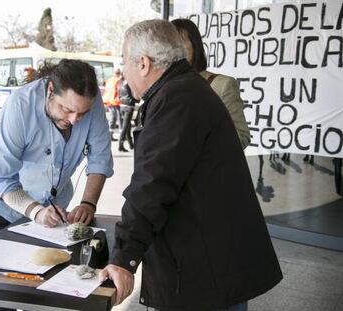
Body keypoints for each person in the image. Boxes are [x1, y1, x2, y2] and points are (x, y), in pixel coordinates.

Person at [99, 20, 282, 310]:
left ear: (143, 63)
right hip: (213, 262)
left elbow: (152, 184)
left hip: (206, 273)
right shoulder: (184, 89)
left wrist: (124, 259)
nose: (124, 72)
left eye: (125, 61)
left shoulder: (176, 98)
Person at [0, 58, 113, 237]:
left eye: (82, 113)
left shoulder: (91, 100)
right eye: (66, 109)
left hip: (55, 211)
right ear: (50, 90)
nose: (74, 120)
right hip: (8, 209)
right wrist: (36, 212)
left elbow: (100, 159)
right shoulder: (20, 104)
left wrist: (88, 203)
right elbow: (1, 178)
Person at [171, 18, 250, 150]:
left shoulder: (221, 85)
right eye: (169, 43)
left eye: (180, 41)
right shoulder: (162, 88)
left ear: (195, 45)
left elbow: (242, 138)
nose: (174, 49)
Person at [118, 78, 137, 152]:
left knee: (127, 126)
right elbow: (133, 97)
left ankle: (131, 145)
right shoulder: (129, 86)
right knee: (125, 127)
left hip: (122, 106)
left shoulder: (121, 85)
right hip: (129, 107)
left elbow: (119, 96)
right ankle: (120, 145)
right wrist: (137, 100)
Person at [103, 68, 122, 141]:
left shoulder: (109, 80)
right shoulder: (118, 80)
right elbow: (119, 90)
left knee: (112, 118)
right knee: (119, 118)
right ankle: (122, 136)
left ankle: (110, 135)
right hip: (115, 101)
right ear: (119, 73)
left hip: (109, 101)